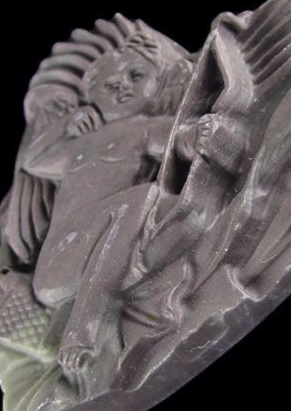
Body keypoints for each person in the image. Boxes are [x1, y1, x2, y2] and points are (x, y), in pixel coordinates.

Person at [21, 30, 196, 372]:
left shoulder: (146, 129)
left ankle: (89, 321)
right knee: (140, 200)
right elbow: (34, 160)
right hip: (55, 267)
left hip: (101, 243)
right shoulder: (81, 144)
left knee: (141, 201)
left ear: (157, 89)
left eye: (137, 76)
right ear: (93, 84)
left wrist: (198, 132)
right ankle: (85, 328)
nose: (122, 84)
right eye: (113, 77)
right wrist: (68, 124)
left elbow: (182, 140)